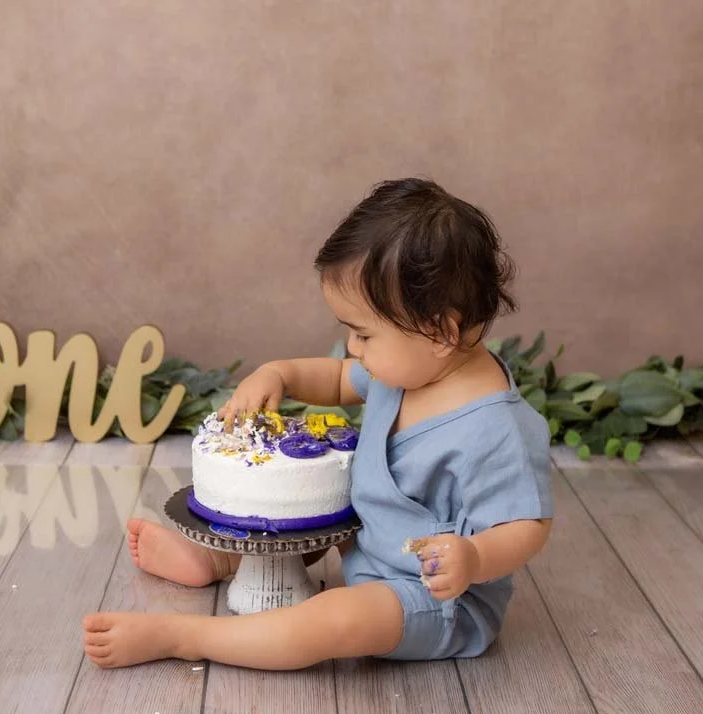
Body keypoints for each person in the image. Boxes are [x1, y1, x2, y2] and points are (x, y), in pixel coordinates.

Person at [82, 178, 553, 670]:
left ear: (440, 330)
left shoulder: (495, 428)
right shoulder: (409, 366)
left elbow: (527, 524)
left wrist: (473, 557)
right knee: (311, 511)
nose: (353, 349)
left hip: (432, 597)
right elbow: (332, 378)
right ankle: (224, 560)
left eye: (363, 334)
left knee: (333, 619)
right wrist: (279, 373)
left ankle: (186, 636)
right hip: (371, 539)